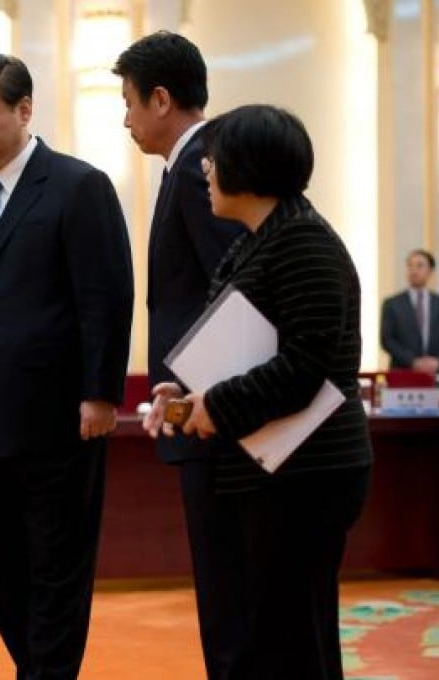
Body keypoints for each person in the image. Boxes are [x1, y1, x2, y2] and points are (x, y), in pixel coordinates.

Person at [144, 105, 373, 678]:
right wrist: (189, 387)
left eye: (214, 159)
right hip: (271, 467)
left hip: (306, 472)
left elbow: (305, 365)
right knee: (267, 633)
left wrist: (215, 404)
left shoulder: (303, 243)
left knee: (292, 639)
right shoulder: (261, 239)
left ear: (248, 165)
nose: (205, 170)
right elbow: (248, 343)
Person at [0, 54, 133, 678]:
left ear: (24, 110)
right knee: (4, 566)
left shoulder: (78, 186)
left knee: (57, 566)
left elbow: (105, 296)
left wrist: (100, 394)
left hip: (60, 421)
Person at [114, 32, 246, 679]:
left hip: (215, 417)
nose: (126, 118)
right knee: (223, 592)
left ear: (161, 99)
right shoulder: (192, 165)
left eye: (130, 102)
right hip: (201, 405)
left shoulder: (203, 169)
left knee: (231, 596)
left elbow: (234, 292)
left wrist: (202, 394)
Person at [380, 248, 439, 375]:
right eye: (410, 265)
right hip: (402, 373)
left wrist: (436, 362)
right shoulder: (392, 304)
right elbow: (387, 340)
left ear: (430, 271)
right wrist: (413, 361)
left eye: (419, 265)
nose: (413, 270)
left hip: (435, 375)